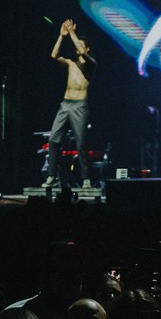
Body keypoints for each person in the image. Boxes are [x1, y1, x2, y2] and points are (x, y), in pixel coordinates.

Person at [47, 18, 95, 193]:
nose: (77, 46)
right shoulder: (70, 63)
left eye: (81, 45)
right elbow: (53, 56)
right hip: (65, 104)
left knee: (81, 143)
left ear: (87, 49)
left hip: (80, 106)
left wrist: (73, 32)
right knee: (54, 139)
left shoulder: (91, 63)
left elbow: (81, 49)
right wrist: (62, 35)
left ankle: (86, 179)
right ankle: (51, 176)